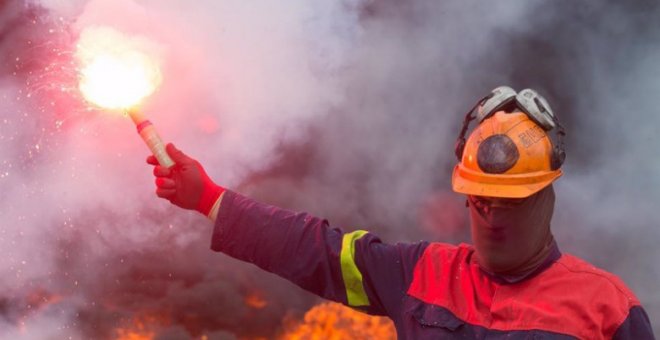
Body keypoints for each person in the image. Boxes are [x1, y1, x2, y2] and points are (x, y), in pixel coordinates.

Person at [147, 86, 655, 339]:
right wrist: (209, 198)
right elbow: (314, 250)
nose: (494, 217)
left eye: (512, 202)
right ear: (465, 197)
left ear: (547, 194)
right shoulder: (422, 274)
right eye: (482, 201)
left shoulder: (609, 311)